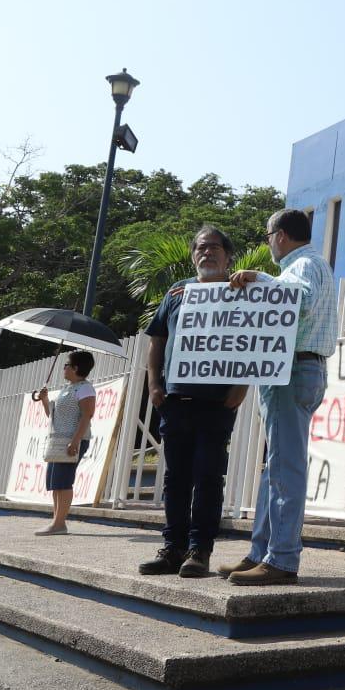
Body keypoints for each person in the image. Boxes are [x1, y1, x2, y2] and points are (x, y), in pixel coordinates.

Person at [219, 208, 332, 585]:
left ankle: (281, 559)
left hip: (291, 370)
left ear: (280, 236)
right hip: (298, 369)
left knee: (284, 467)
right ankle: (261, 552)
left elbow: (297, 299)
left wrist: (261, 278)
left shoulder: (301, 266)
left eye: (268, 238)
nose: (269, 245)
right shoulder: (312, 264)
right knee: (276, 466)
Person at [139, 225, 248, 578]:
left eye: (215, 247)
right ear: (192, 255)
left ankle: (200, 550)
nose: (207, 252)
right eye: (201, 247)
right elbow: (157, 340)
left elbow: (254, 340)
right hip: (175, 401)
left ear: (228, 256)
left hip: (217, 403)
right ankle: (173, 547)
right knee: (176, 479)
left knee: (208, 476)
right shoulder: (176, 292)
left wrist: (242, 385)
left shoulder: (242, 293)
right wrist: (154, 383)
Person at [32, 350, 97, 535]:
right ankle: (56, 521)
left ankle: (59, 523)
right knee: (56, 482)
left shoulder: (85, 388)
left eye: (66, 365)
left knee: (64, 480)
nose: (64, 368)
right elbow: (52, 415)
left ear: (75, 368)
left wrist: (75, 441)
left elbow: (87, 415)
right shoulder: (67, 388)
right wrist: (44, 400)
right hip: (59, 441)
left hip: (72, 441)